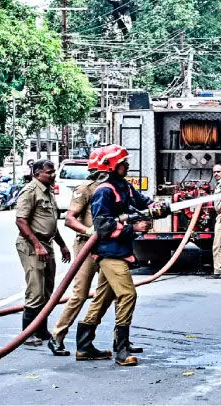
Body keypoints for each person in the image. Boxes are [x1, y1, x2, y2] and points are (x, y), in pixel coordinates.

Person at [77, 144, 154, 366]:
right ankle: (121, 350)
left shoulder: (124, 187)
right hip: (110, 253)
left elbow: (142, 201)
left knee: (103, 298)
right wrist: (134, 228)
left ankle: (84, 346)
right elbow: (102, 226)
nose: (127, 165)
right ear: (111, 166)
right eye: (123, 163)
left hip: (121, 250)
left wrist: (158, 206)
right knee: (128, 294)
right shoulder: (104, 191)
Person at [46, 148, 113, 359]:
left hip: (109, 247)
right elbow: (69, 219)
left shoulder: (114, 189)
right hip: (87, 246)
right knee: (80, 293)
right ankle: (57, 336)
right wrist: (88, 231)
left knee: (111, 292)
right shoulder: (85, 189)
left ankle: (93, 342)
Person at [15, 159, 71, 346]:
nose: (53, 174)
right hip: (32, 245)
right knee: (36, 290)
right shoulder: (31, 191)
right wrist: (37, 245)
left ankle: (40, 329)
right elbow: (21, 221)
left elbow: (50, 224)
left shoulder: (47, 191)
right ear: (37, 173)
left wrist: (62, 245)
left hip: (47, 244)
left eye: (53, 171)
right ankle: (27, 334)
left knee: (47, 291)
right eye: (48, 172)